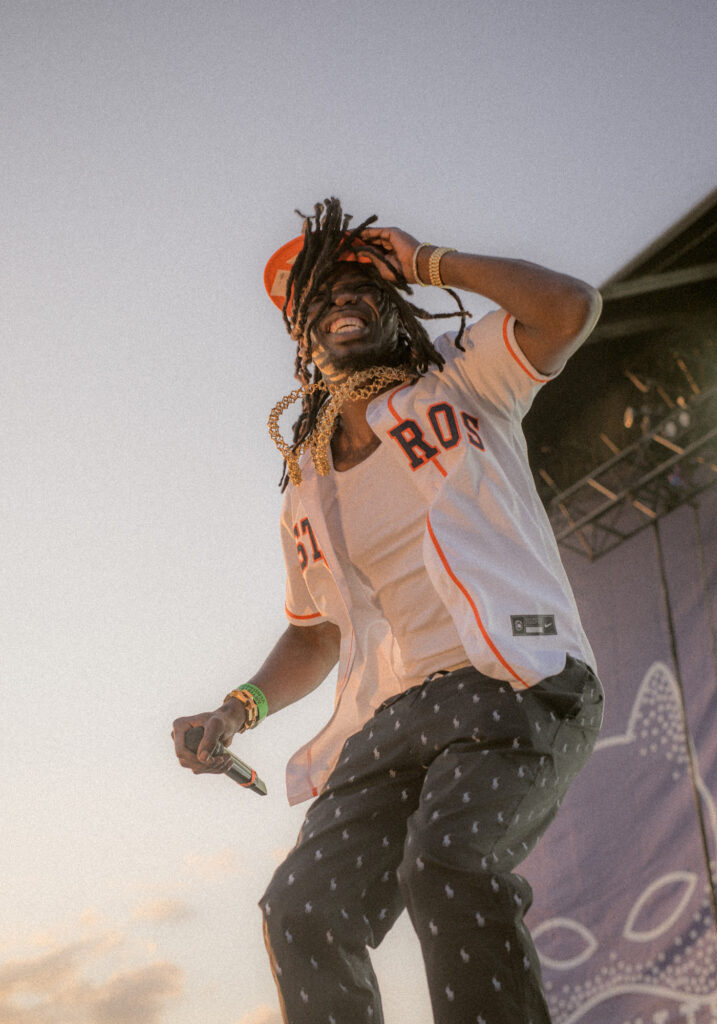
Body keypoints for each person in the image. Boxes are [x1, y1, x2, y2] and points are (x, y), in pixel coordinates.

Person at [172, 198, 605, 1024]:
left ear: (396, 302)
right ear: (301, 335)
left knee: (446, 862)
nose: (341, 298)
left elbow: (569, 309)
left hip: (517, 677)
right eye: (319, 295)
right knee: (301, 910)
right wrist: (237, 710)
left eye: (362, 283)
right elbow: (315, 630)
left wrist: (426, 259)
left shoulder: (463, 375)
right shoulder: (306, 478)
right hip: (395, 715)